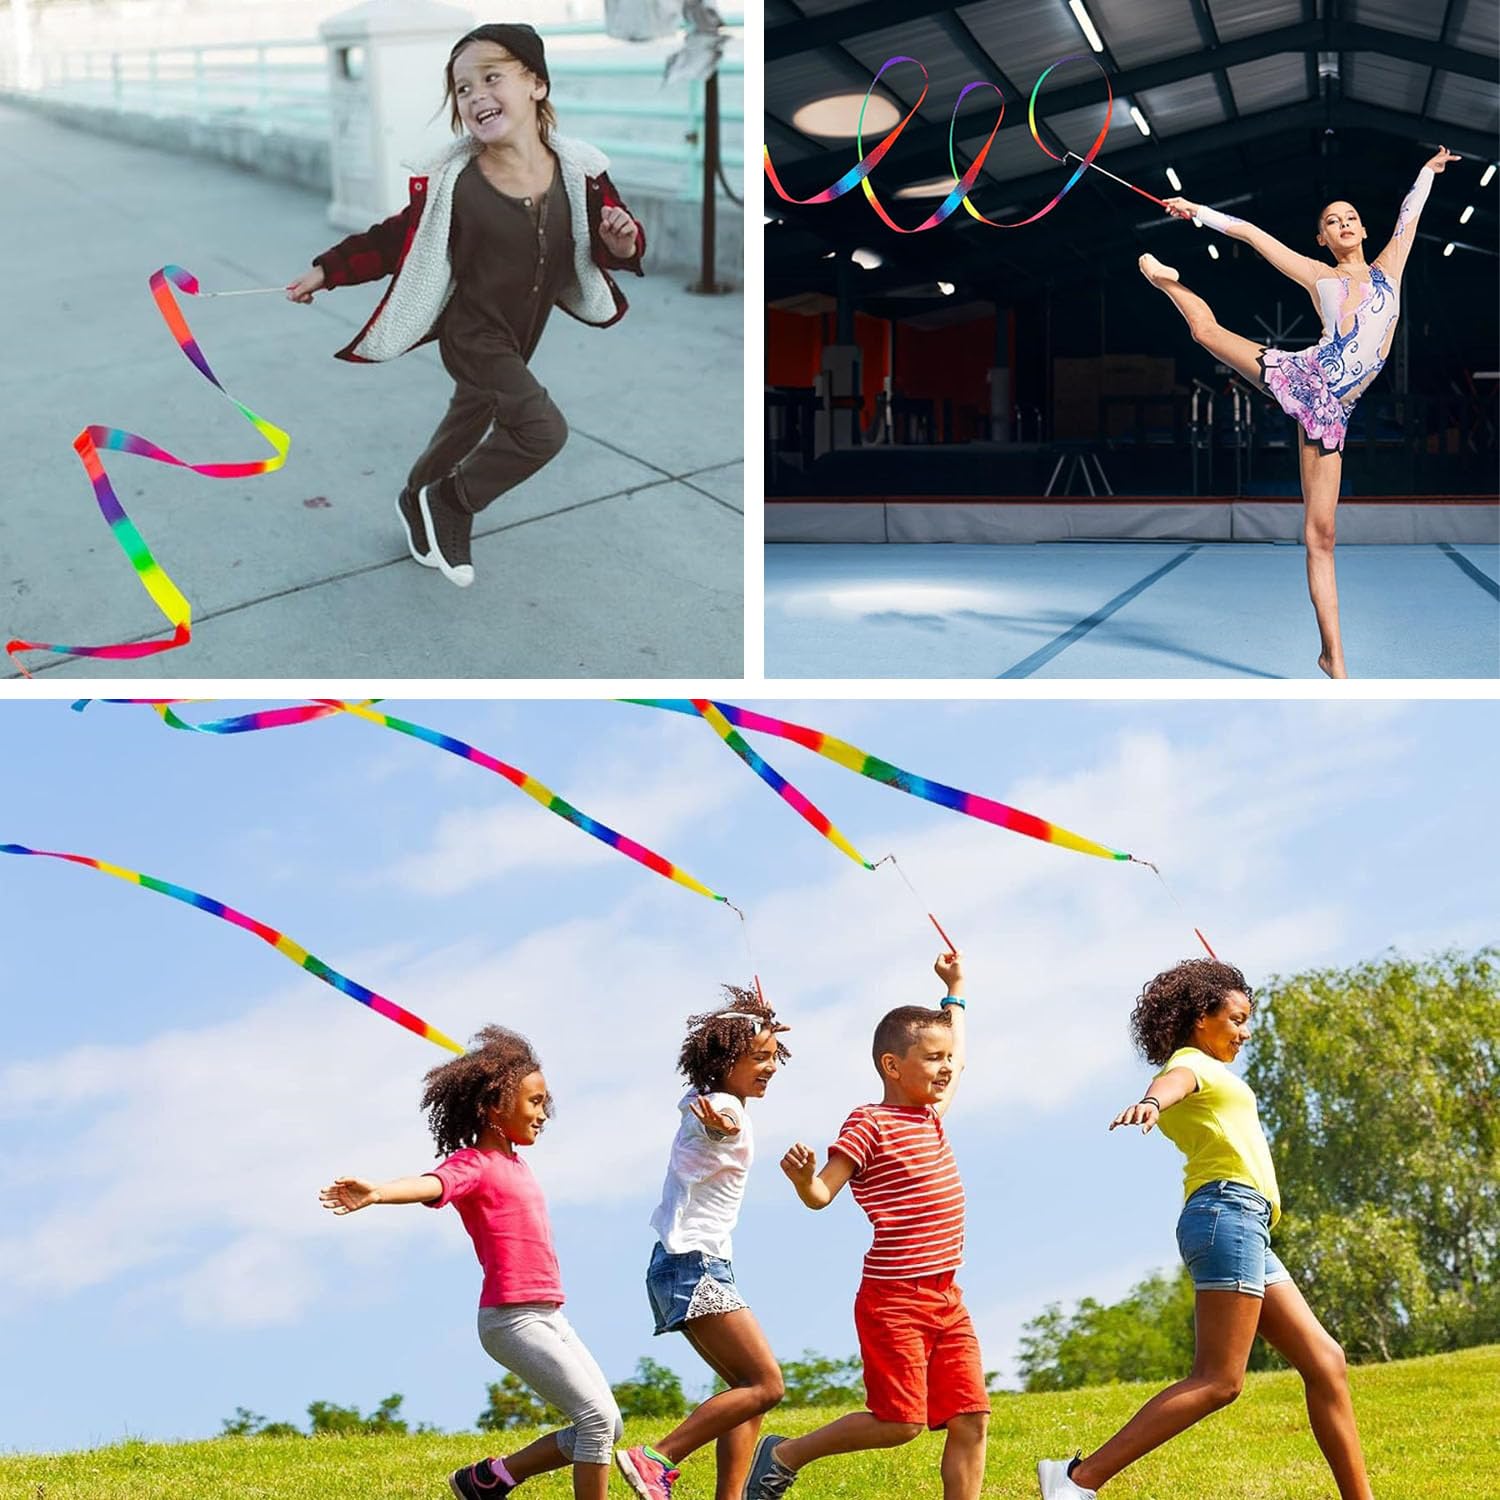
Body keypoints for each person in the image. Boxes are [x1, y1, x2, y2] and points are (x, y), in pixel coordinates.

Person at [286, 22, 644, 588]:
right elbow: (393, 239)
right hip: (472, 334)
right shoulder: (457, 184)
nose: (476, 96)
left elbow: (609, 243)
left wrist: (622, 242)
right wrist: (328, 270)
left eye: (492, 78)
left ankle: (415, 497)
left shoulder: (581, 173)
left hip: (523, 331)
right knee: (542, 430)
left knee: (467, 419)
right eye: (462, 88)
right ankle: (452, 500)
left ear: (537, 84)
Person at [1038, 959, 1372, 1500]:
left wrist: (1233, 1003)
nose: (1245, 1032)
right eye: (1236, 1019)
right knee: (1219, 1381)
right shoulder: (1191, 1064)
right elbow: (1172, 1082)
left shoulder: (1212, 1071)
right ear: (1200, 1018)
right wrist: (1150, 1103)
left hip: (1242, 1223)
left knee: (1326, 1361)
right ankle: (1076, 1480)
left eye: (1247, 1021)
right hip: (1228, 1214)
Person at [1137, 146, 1460, 678]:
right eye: (1332, 221)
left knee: (1321, 535)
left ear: (1363, 229)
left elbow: (1411, 213)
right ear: (1322, 239)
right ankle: (1163, 281)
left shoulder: (1390, 269)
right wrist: (1196, 211)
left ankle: (1330, 655)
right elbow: (1251, 234)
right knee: (1205, 332)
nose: (1344, 223)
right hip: (1305, 377)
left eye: (1351, 217)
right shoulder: (1318, 275)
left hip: (1334, 411)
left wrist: (1426, 171)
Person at [319, 1025, 622, 1500]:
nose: (544, 1114)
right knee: (596, 1422)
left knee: (608, 1426)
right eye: (534, 1102)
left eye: (545, 1102)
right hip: (513, 1319)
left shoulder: (517, 1164)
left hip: (550, 1315)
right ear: (494, 1106)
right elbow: (432, 1183)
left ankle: (488, 1480)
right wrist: (378, 1192)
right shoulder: (474, 1164)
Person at [744, 952, 990, 1500]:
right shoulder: (869, 1122)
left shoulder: (930, 1115)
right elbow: (821, 1194)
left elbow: (962, 1054)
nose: (946, 1067)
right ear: (892, 1066)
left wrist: (955, 990)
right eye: (933, 1058)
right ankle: (784, 1454)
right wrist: (803, 1179)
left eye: (947, 1058)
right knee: (900, 1423)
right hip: (894, 1298)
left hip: (947, 1295)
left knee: (971, 1418)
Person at [615, 987, 792, 1500]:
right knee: (767, 1385)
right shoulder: (720, 1107)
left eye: (774, 1056)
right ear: (724, 1062)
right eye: (758, 1057)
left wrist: (759, 1021)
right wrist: (723, 1128)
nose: (771, 1067)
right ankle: (656, 1459)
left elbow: (708, 1112)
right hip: (695, 1266)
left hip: (685, 1264)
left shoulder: (703, 1098)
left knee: (748, 1390)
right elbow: (721, 1126)